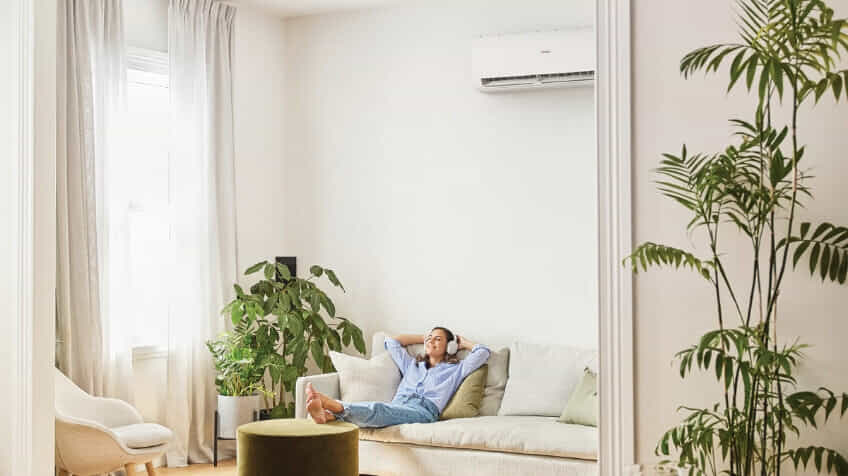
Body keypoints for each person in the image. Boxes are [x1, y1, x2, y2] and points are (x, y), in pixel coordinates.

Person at [305, 327, 490, 428]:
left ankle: (332, 405)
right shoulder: (412, 364)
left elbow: (483, 352)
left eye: (438, 339)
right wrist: (423, 337)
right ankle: (328, 416)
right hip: (399, 403)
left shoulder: (455, 369)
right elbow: (392, 342)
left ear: (449, 346)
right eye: (430, 338)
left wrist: (461, 342)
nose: (431, 341)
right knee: (383, 410)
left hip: (423, 411)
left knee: (379, 409)